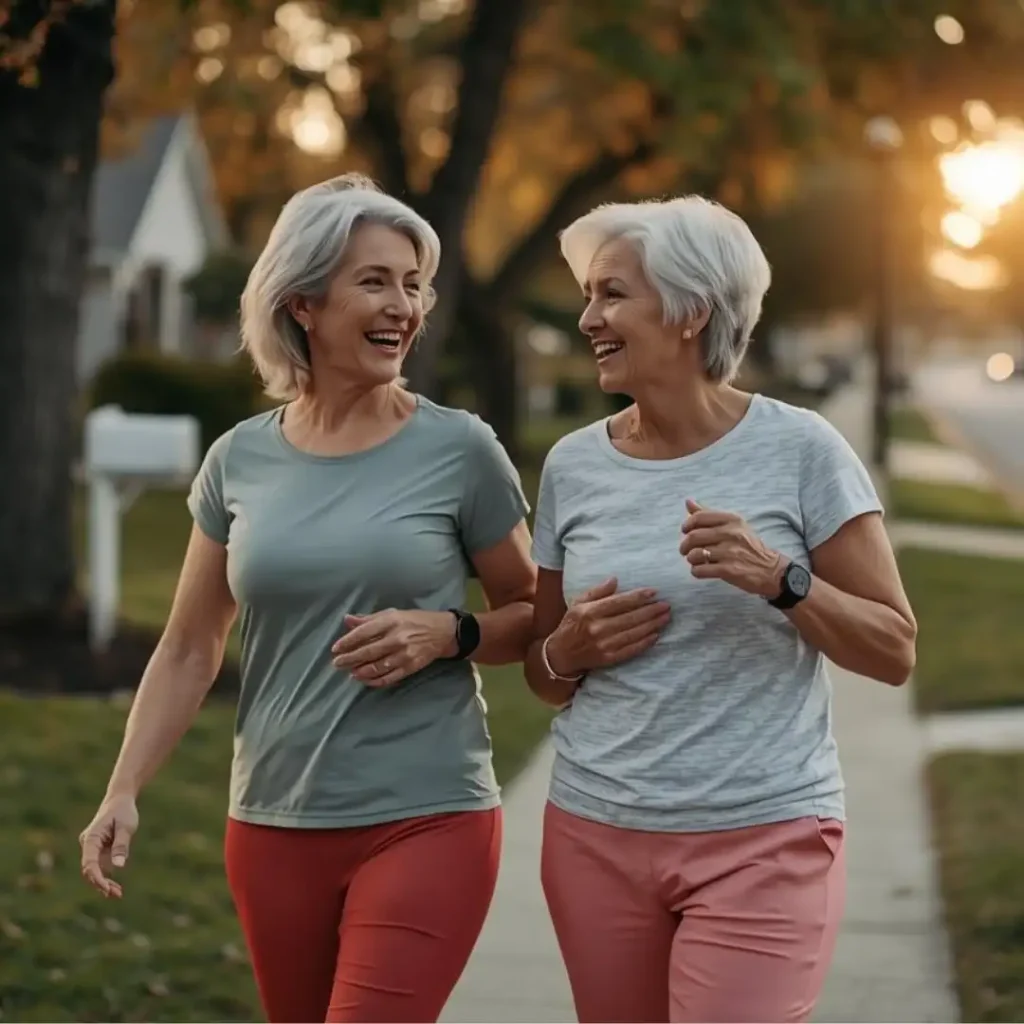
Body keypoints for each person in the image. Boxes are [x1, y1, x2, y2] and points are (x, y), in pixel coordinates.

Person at [79, 174, 537, 1024]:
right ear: (304, 304)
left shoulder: (460, 450)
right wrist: (123, 789)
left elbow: (534, 614)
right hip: (271, 821)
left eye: (412, 284)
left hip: (427, 812)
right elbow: (189, 646)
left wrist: (451, 631)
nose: (403, 306)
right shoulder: (238, 460)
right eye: (375, 281)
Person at [524, 196, 917, 1024]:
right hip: (596, 834)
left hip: (764, 837)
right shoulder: (572, 466)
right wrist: (567, 649)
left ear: (691, 310)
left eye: (612, 295)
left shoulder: (801, 449)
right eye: (589, 296)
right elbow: (544, 675)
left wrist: (782, 579)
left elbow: (893, 649)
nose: (588, 319)